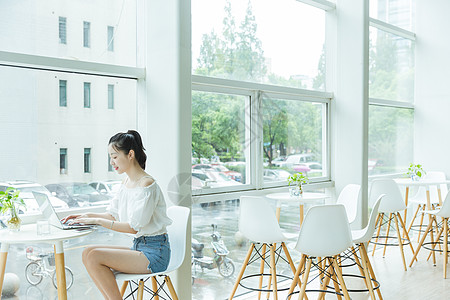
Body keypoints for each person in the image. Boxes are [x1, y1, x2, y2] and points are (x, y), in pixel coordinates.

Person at [61, 130, 172, 300]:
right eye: (110, 157)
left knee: (95, 256)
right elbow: (112, 215)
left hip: (155, 253)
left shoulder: (147, 185)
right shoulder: (126, 182)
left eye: (114, 156)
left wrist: (96, 221)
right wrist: (84, 215)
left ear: (130, 154)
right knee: (88, 252)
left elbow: (134, 228)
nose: (111, 162)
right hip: (139, 247)